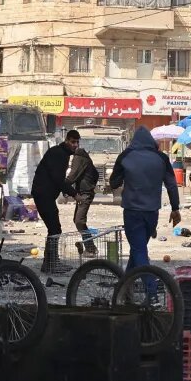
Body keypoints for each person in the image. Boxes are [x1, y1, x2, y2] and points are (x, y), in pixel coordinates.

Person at [110, 127, 181, 301]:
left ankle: (151, 292)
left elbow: (113, 182)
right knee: (138, 250)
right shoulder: (161, 158)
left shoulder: (126, 156)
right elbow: (172, 184)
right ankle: (124, 289)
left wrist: (125, 177)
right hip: (152, 213)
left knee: (139, 250)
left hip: (132, 212)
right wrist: (175, 208)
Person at [32, 130, 80, 273]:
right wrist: (74, 193)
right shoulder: (59, 154)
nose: (75, 145)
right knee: (54, 229)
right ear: (66, 141)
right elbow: (57, 179)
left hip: (45, 195)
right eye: (72, 142)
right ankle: (51, 264)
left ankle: (50, 263)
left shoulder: (62, 154)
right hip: (43, 194)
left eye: (77, 142)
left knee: (54, 228)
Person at [65, 148, 99, 256]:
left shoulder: (79, 158)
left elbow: (72, 176)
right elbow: (96, 174)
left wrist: (63, 186)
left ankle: (90, 249)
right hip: (83, 193)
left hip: (85, 194)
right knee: (77, 220)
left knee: (79, 221)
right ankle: (90, 248)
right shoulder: (85, 159)